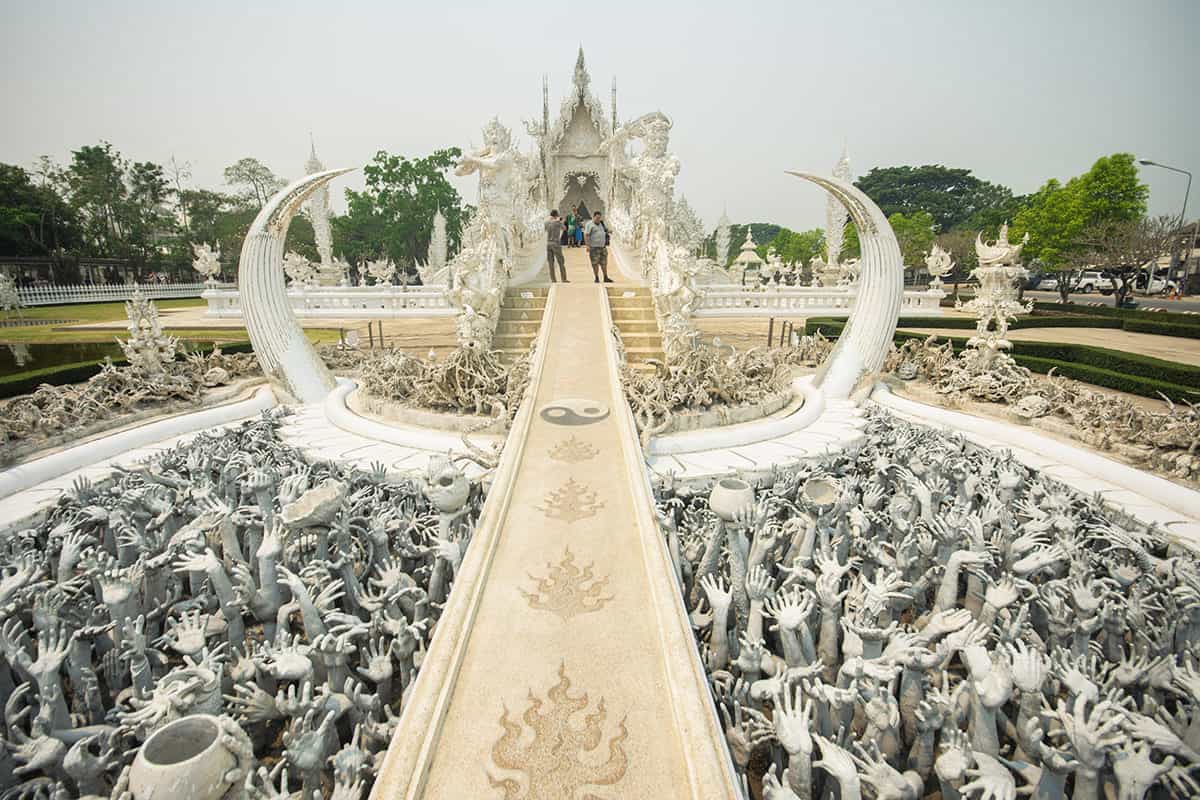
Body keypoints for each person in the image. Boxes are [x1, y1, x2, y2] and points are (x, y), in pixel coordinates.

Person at [584, 210, 612, 283]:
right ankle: (596, 277)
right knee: (595, 263)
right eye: (597, 218)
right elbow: (586, 235)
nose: (598, 220)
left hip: (602, 247)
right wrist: (587, 245)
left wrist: (609, 231)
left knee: (604, 263)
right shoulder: (589, 224)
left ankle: (605, 277)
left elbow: (605, 230)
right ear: (593, 217)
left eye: (599, 218)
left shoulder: (601, 223)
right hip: (594, 247)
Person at [544, 209, 567, 283]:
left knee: (551, 263)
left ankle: (553, 279)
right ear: (556, 215)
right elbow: (564, 228)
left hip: (548, 243)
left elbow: (545, 230)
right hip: (556, 243)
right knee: (561, 262)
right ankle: (564, 279)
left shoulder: (546, 222)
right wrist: (561, 221)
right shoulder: (557, 222)